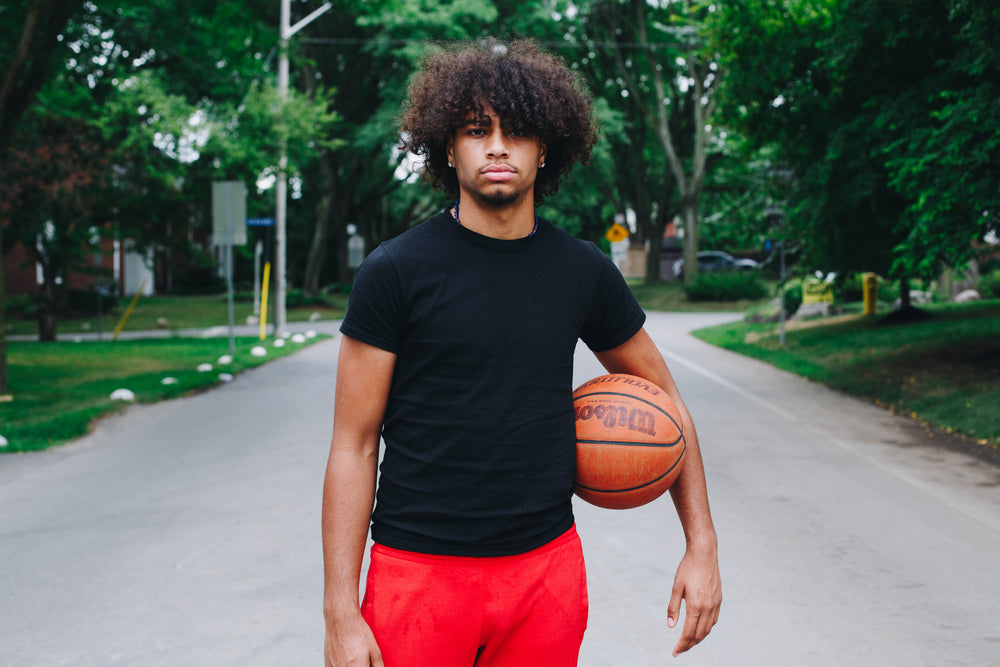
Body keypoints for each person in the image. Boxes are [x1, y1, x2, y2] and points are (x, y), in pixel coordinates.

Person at [322, 39, 721, 667]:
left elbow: (668, 404)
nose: (498, 146)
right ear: (448, 148)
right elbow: (353, 444)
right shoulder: (393, 272)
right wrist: (341, 612)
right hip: (418, 573)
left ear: (547, 148)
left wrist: (702, 546)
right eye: (477, 130)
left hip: (545, 571)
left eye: (519, 130)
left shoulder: (581, 271)